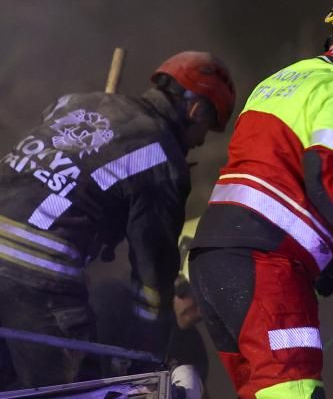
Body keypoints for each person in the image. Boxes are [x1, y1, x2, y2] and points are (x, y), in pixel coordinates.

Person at [189, 0, 333, 399]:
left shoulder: (280, 81)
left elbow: (278, 176)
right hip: (267, 265)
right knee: (296, 392)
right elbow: (325, 175)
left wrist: (319, 259)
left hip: (213, 261)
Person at [0, 51, 234, 389]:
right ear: (196, 110)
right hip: (38, 274)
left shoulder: (73, 105)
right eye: (205, 130)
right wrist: (144, 361)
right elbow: (152, 275)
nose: (199, 142)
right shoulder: (161, 158)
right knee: (76, 390)